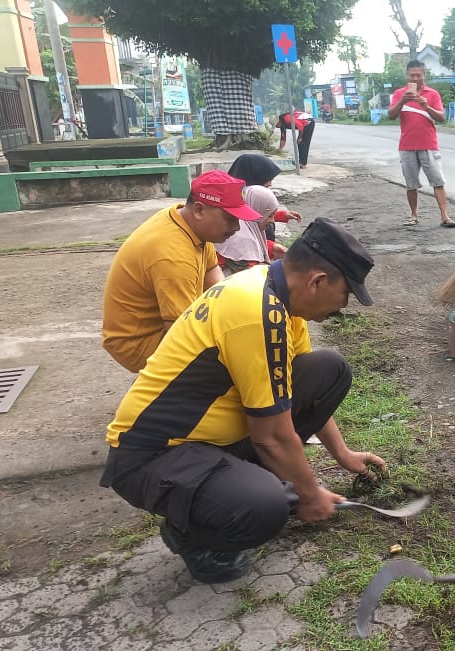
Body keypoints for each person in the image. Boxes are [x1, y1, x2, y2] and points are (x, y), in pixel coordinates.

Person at [99, 218, 388, 584]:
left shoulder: (279, 296)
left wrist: (343, 454)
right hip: (152, 455)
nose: (343, 305)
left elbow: (287, 392)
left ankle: (237, 483)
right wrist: (309, 493)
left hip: (209, 440)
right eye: (346, 294)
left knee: (328, 370)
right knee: (266, 506)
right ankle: (191, 535)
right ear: (318, 281)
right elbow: (272, 436)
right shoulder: (256, 312)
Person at [102, 170, 263, 373]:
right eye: (230, 219)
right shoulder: (174, 256)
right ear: (199, 210)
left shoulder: (187, 222)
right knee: (232, 365)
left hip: (163, 325)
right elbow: (181, 333)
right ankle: (164, 389)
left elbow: (212, 273)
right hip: (137, 341)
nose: (237, 227)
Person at [387, 60, 455, 228]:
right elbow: (391, 115)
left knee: (438, 181)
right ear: (407, 75)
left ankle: (445, 216)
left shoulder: (432, 94)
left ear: (424, 75)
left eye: (419, 75)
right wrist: (402, 100)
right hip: (407, 146)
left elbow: (441, 117)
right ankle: (414, 215)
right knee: (411, 183)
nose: (416, 78)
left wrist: (426, 106)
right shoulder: (399, 94)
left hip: (429, 145)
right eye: (412, 75)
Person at [214, 185, 293, 276]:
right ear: (257, 212)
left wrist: (271, 247)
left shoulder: (243, 226)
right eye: (270, 215)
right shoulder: (240, 238)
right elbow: (254, 276)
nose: (272, 221)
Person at [228, 153, 301, 243]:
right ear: (254, 177)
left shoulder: (245, 199)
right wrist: (270, 248)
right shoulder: (233, 215)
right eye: (267, 179)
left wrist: (281, 215)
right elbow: (245, 244)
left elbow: (256, 217)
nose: (270, 184)